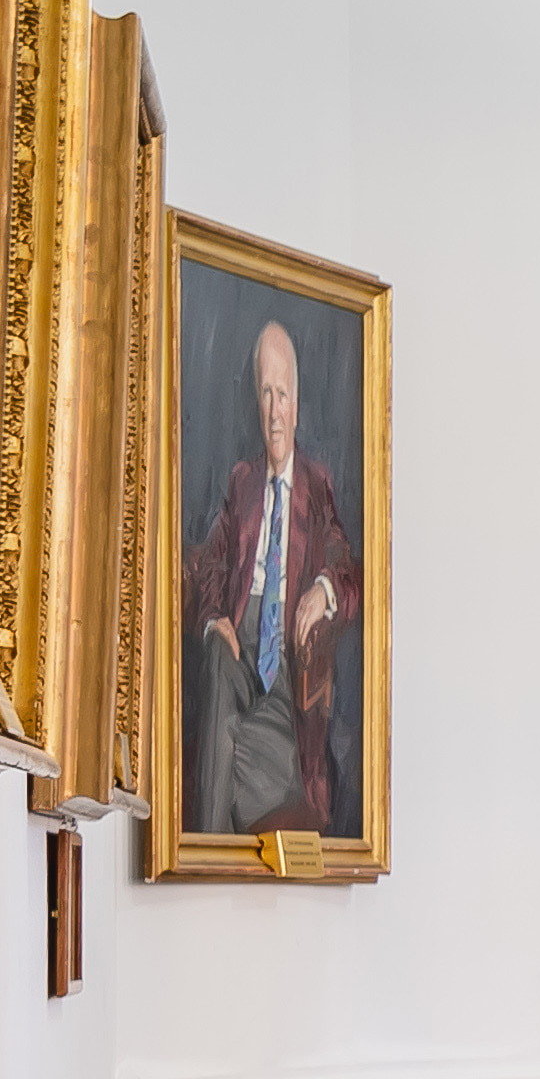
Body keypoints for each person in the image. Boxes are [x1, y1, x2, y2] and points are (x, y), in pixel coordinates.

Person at [183, 315, 356, 839]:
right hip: (241, 642)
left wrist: (323, 589)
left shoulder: (316, 483)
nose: (275, 412)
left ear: (297, 406)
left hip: (286, 655)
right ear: (256, 404)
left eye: (283, 395)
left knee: (234, 743)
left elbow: (349, 570)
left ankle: (210, 840)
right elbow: (209, 563)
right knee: (215, 660)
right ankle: (215, 847)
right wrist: (215, 618)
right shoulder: (241, 482)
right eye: (266, 394)